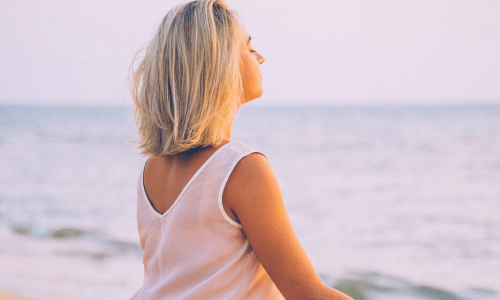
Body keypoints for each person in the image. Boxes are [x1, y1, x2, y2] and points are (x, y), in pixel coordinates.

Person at [129, 0, 353, 299]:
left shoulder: (152, 167)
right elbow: (306, 294)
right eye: (249, 48)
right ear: (220, 64)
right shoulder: (241, 168)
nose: (260, 57)